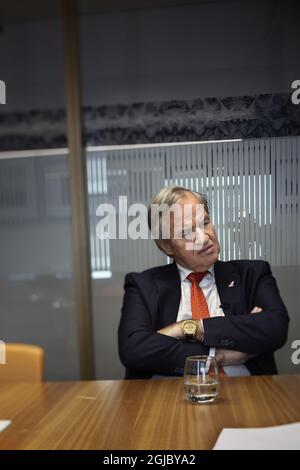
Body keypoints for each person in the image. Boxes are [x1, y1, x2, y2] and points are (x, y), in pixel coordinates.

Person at [118, 186, 289, 379]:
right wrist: (218, 356)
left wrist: (188, 328)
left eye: (205, 222)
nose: (204, 237)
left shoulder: (252, 274)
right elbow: (134, 349)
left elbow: (275, 328)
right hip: (169, 397)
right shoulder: (143, 285)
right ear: (166, 245)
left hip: (248, 392)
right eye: (186, 233)